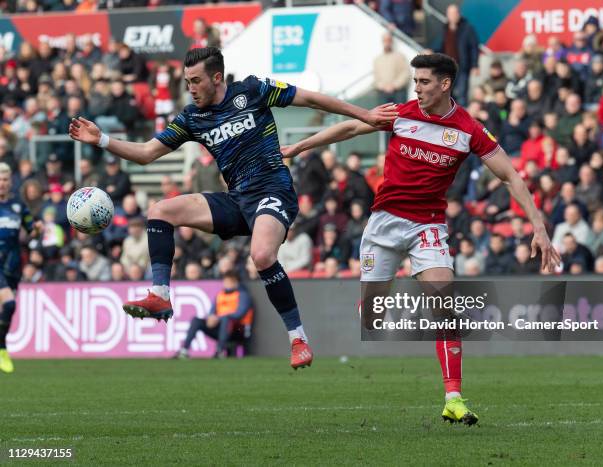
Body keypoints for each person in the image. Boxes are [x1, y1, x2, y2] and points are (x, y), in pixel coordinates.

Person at [69, 47, 396, 369]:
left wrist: (364, 114)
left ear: (216, 77)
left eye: (196, 81)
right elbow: (146, 153)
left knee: (262, 255)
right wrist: (102, 141)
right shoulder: (191, 118)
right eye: (186, 82)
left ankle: (298, 338)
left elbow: (312, 99)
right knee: (159, 211)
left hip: (274, 192)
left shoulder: (254, 90)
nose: (191, 88)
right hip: (238, 199)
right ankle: (160, 294)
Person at [282, 53, 560, 424]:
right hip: (383, 225)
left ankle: (453, 397)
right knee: (373, 321)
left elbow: (510, 176)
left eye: (424, 82)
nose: (417, 88)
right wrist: (298, 148)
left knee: (446, 305)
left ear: (445, 84)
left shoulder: (468, 130)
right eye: (415, 81)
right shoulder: (399, 114)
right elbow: (349, 129)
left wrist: (539, 228)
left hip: (427, 227)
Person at [0, 163, 40, 373]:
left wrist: (37, 230)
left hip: (13, 264)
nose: (2, 183)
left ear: (10, 182)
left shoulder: (18, 205)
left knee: (8, 308)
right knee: (8, 303)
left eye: (5, 179)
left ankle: (1, 347)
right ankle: (2, 349)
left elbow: (29, 232)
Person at [175, 271, 253, 359]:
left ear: (236, 283)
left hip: (237, 330)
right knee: (196, 320)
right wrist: (210, 318)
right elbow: (212, 311)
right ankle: (184, 350)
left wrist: (218, 318)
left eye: (230, 282)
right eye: (225, 282)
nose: (227, 284)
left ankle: (220, 351)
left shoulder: (243, 295)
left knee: (226, 319)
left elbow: (239, 314)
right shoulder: (220, 295)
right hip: (221, 328)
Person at [435, 4, 479, 106]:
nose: (453, 16)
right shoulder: (445, 28)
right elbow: (441, 47)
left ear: (459, 14)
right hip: (447, 69)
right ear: (447, 15)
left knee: (462, 96)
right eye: (450, 13)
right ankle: (450, 119)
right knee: (447, 95)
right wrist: (431, 51)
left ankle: (461, 120)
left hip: (462, 67)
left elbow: (474, 48)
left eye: (455, 13)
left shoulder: (467, 28)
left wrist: (475, 65)